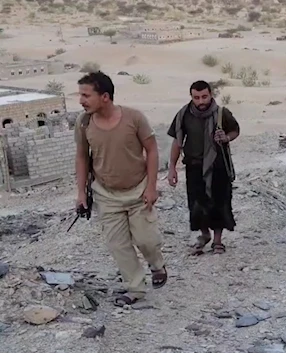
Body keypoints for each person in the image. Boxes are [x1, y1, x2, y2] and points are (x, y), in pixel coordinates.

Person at [74, 71, 167, 307]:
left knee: (147, 240)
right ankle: (135, 289)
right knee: (118, 245)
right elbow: (82, 157)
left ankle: (157, 265)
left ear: (105, 96)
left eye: (86, 95)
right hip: (106, 194)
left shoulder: (134, 118)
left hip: (138, 190)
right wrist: (81, 193)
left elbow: (152, 150)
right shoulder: (83, 123)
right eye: (80, 95)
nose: (81, 100)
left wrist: (152, 187)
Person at [167, 80, 239, 255]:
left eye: (204, 97)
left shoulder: (222, 113)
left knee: (220, 202)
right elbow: (177, 141)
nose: (201, 101)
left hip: (218, 166)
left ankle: (217, 241)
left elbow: (235, 130)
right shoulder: (183, 114)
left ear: (211, 95)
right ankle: (204, 234)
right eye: (196, 97)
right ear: (191, 96)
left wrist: (226, 138)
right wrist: (172, 167)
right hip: (194, 166)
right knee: (197, 204)